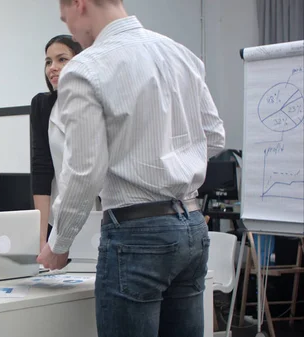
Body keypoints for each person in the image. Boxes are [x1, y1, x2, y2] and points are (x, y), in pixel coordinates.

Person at [37, 1, 226, 336]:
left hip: (136, 232)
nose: (73, 35)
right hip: (192, 226)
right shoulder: (181, 54)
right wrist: (171, 164)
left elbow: (85, 170)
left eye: (67, 22)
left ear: (79, 5)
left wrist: (59, 243)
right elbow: (214, 137)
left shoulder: (84, 68)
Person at [30, 35, 83, 251]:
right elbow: (41, 168)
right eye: (48, 62)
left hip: (100, 214)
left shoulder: (97, 102)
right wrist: (40, 238)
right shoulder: (43, 105)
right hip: (58, 217)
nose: (53, 67)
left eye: (62, 60)